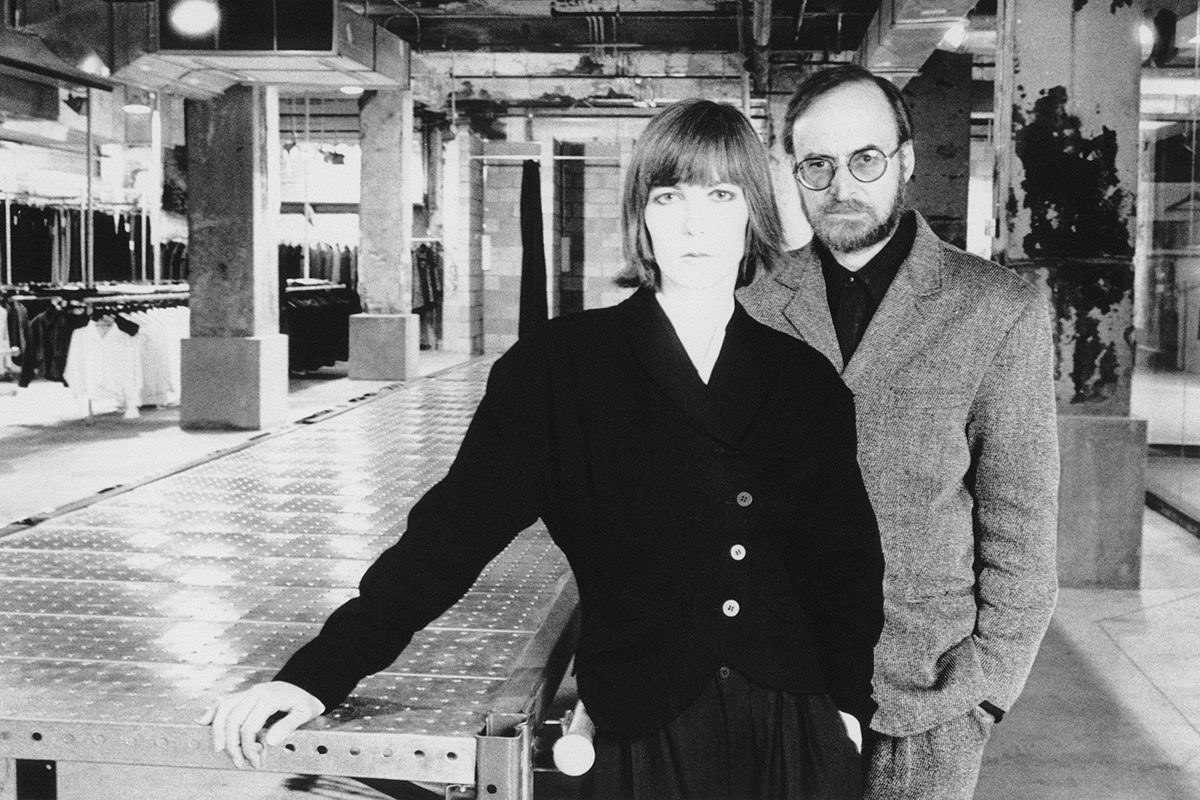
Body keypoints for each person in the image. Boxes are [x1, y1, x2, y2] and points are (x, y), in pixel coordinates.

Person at [202, 98, 884, 799]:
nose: (693, 221)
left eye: (720, 194)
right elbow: (449, 538)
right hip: (641, 727)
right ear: (642, 214)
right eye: (668, 195)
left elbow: (845, 567)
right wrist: (317, 673)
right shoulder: (560, 370)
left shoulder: (803, 380)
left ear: (752, 214)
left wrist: (849, 712)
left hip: (789, 727)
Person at [738, 64, 1060, 800]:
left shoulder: (995, 308)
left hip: (927, 704)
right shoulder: (749, 304)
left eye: (866, 159)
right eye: (817, 164)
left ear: (906, 161)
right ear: (793, 172)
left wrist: (983, 691)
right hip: (777, 687)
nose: (841, 185)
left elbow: (1021, 523)